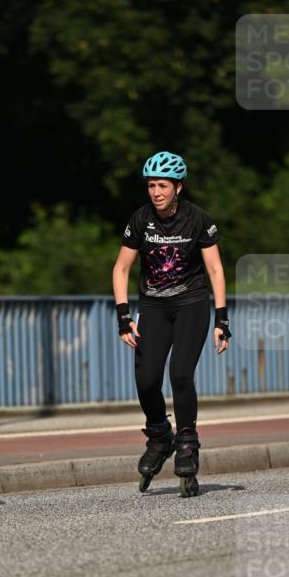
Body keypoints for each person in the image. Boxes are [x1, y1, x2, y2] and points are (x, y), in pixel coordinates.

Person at [112, 150, 231, 497]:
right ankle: (160, 434)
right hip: (153, 306)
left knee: (180, 374)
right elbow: (121, 268)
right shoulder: (140, 220)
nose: (156, 192)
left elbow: (215, 270)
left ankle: (187, 442)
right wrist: (123, 315)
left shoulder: (198, 220)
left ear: (178, 187)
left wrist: (222, 319)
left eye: (163, 185)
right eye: (151, 185)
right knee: (146, 380)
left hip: (191, 304)